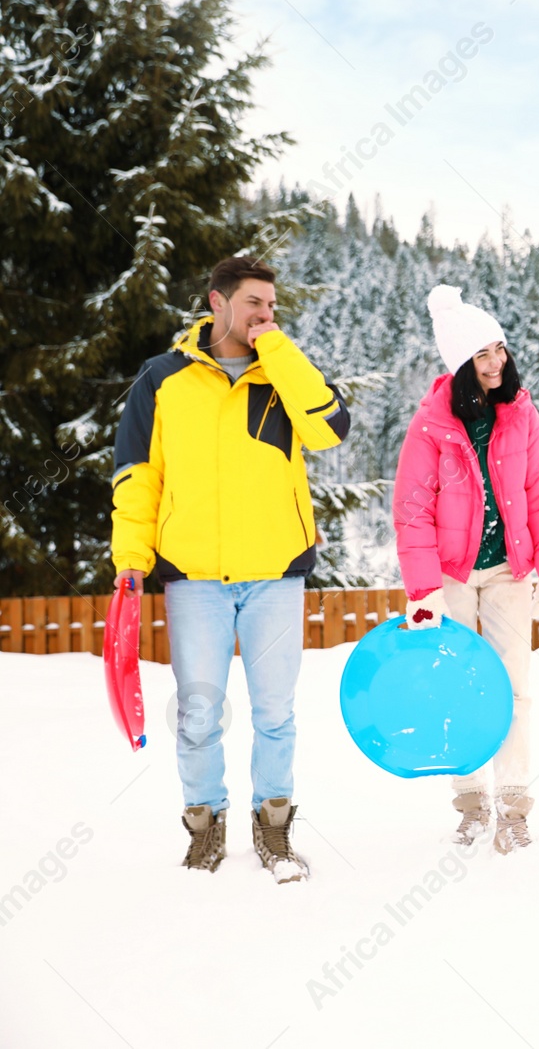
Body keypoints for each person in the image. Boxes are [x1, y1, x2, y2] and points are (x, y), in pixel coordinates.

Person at [111, 255, 351, 883]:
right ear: (217, 303)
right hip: (194, 577)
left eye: (272, 306)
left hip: (276, 572)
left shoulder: (286, 377)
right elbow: (138, 476)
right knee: (198, 713)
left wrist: (280, 353)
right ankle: (203, 828)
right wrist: (132, 558)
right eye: (253, 304)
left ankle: (273, 832)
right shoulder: (161, 379)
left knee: (276, 712)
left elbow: (330, 430)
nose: (265, 316)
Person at [392, 285, 539, 855]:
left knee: (514, 687)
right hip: (449, 575)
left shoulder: (521, 413)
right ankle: (471, 803)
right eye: (482, 355)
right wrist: (423, 590)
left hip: (507, 573)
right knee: (458, 686)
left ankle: (513, 806)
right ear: (460, 365)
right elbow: (412, 510)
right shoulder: (431, 424)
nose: (497, 362)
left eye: (499, 348)